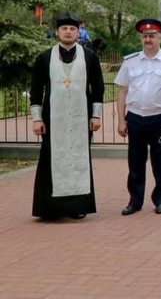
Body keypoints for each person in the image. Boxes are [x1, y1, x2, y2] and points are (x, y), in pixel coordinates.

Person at [29, 12, 104, 220]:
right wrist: (37, 119)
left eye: (72, 29)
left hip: (82, 118)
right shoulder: (45, 57)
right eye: (64, 29)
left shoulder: (89, 56)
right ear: (57, 32)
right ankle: (49, 208)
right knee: (51, 159)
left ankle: (77, 207)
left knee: (80, 159)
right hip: (53, 118)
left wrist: (96, 116)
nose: (69, 32)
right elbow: (36, 89)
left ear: (78, 32)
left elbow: (98, 87)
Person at [114, 19, 161, 216]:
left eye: (152, 36)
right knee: (135, 162)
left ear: (160, 38)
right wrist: (120, 120)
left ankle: (160, 199)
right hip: (135, 118)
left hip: (159, 119)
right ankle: (135, 201)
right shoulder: (130, 61)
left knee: (160, 162)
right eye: (145, 36)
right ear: (140, 38)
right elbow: (122, 92)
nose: (148, 39)